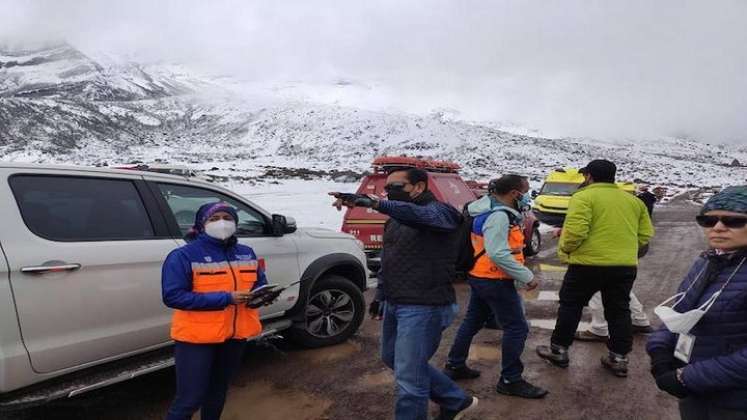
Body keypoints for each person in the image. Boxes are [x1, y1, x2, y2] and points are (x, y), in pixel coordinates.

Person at [331, 167, 477, 420]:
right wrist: (380, 295)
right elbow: (390, 259)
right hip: (396, 301)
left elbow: (421, 216)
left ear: (419, 187)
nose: (389, 193)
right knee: (393, 358)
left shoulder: (442, 212)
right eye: (386, 189)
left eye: (396, 188)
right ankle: (455, 400)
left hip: (426, 305)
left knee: (410, 378)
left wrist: (375, 202)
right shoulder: (396, 220)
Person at [536, 159, 654, 377]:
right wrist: (624, 251)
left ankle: (559, 351)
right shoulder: (633, 201)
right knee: (619, 310)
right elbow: (646, 234)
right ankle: (618, 358)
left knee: (571, 306)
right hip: (623, 267)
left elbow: (576, 232)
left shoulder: (583, 197)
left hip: (586, 265)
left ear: (589, 176)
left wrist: (566, 252)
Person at [162, 202, 272, 420]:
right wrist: (226, 298)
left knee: (217, 392)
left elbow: (259, 283)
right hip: (197, 339)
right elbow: (173, 296)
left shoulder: (246, 252)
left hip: (235, 335)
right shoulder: (183, 255)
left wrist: (262, 297)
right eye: (214, 219)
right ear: (202, 224)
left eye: (227, 218)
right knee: (190, 399)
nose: (222, 223)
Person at [442, 175, 548, 399]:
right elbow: (498, 252)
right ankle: (511, 379)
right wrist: (527, 276)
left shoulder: (488, 210)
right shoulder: (499, 216)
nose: (528, 196)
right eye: (526, 191)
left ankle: (455, 365)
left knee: (473, 320)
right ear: (513, 194)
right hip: (494, 279)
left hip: (482, 276)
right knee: (517, 328)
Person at [647, 186, 747, 420]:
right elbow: (683, 312)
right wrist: (659, 349)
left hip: (735, 401)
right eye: (708, 220)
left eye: (733, 221)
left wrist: (687, 377)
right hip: (696, 391)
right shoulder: (708, 261)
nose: (718, 228)